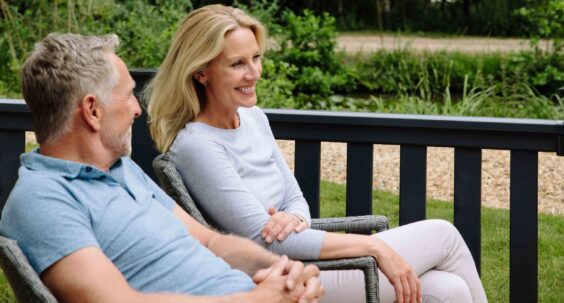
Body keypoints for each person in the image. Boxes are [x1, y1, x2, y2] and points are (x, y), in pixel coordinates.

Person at [146, 4, 488, 303]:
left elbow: (296, 200)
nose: (254, 73)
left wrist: (292, 219)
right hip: (288, 280)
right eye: (237, 63)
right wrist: (374, 247)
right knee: (443, 233)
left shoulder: (253, 118)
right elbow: (265, 244)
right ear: (200, 71)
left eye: (256, 57)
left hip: (313, 262)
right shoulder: (197, 145)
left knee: (450, 290)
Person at [0, 32, 325, 303]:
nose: (138, 109)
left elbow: (211, 243)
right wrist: (255, 299)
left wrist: (283, 270)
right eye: (128, 95)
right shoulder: (44, 200)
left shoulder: (121, 170)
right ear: (92, 111)